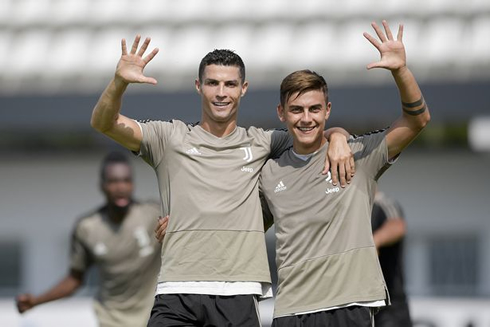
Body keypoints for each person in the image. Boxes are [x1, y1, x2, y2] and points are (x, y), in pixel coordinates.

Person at [90, 34, 353, 326]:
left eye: (230, 84)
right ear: (198, 86)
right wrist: (119, 83)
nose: (221, 92)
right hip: (177, 291)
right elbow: (104, 123)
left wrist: (338, 136)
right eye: (213, 83)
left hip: (238, 293)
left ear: (243, 89)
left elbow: (309, 132)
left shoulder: (264, 142)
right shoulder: (168, 138)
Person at [258, 20, 430, 327]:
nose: (306, 118)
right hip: (289, 311)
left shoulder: (358, 155)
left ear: (327, 110)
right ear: (281, 113)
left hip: (348, 306)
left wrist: (400, 71)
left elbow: (417, 121)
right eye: (297, 110)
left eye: (314, 109)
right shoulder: (269, 172)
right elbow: (244, 225)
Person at [16, 152, 162, 327]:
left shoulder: (153, 214)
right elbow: (74, 280)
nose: (121, 187)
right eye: (113, 181)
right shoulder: (87, 228)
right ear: (102, 186)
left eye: (126, 180)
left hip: (153, 317)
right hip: (111, 319)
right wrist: (37, 301)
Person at [371, 190, 412, 327]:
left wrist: (375, 241)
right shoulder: (347, 206)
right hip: (359, 306)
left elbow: (397, 226)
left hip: (389, 307)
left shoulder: (383, 203)